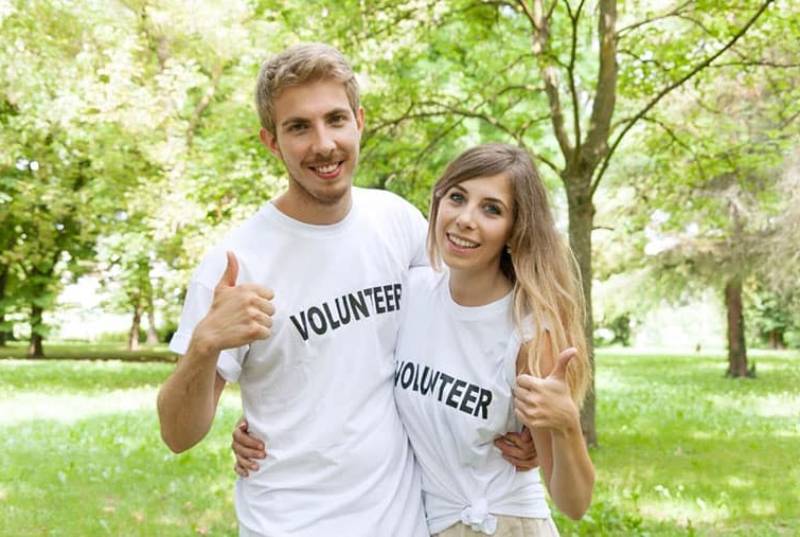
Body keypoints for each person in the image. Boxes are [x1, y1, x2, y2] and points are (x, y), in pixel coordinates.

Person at [157, 44, 531, 537]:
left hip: (403, 521)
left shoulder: (397, 221)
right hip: (288, 523)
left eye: (335, 119)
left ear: (359, 120)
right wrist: (205, 346)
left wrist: (531, 430)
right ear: (271, 142)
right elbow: (178, 435)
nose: (324, 143)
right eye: (298, 127)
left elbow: (466, 324)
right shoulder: (235, 263)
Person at [234, 143, 595, 536]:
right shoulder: (412, 291)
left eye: (492, 209)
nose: (465, 219)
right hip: (424, 523)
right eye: (457, 198)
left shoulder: (525, 333)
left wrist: (566, 425)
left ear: (515, 231)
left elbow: (573, 502)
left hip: (504, 524)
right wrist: (267, 422)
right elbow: (345, 359)